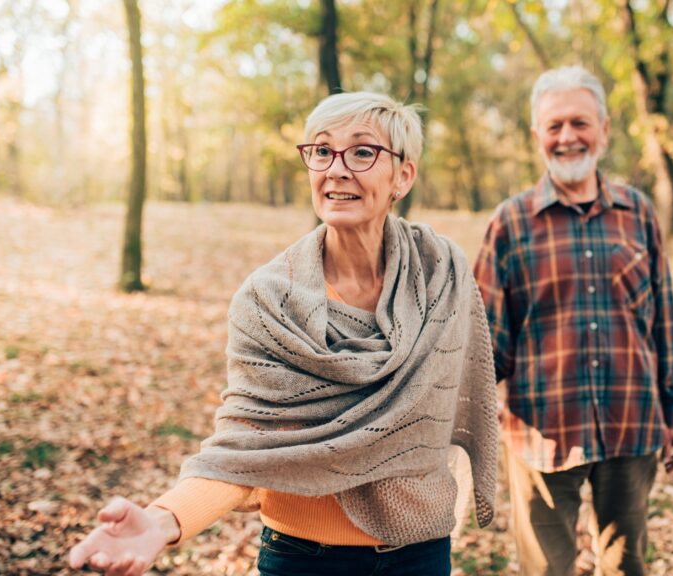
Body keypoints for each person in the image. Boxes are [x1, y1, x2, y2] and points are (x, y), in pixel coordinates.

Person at [69, 91, 498, 576]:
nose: (336, 169)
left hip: (422, 553)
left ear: (403, 175)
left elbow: (449, 409)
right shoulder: (267, 301)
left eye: (362, 151)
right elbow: (247, 443)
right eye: (321, 150)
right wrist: (164, 520)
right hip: (304, 558)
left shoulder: (442, 273)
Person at [473, 66, 673, 576]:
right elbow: (484, 346)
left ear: (604, 129)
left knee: (626, 566)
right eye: (554, 126)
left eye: (579, 123)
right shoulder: (510, 223)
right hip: (540, 434)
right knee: (546, 571)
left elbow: (664, 324)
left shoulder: (638, 212)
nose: (567, 137)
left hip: (632, 425)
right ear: (537, 136)